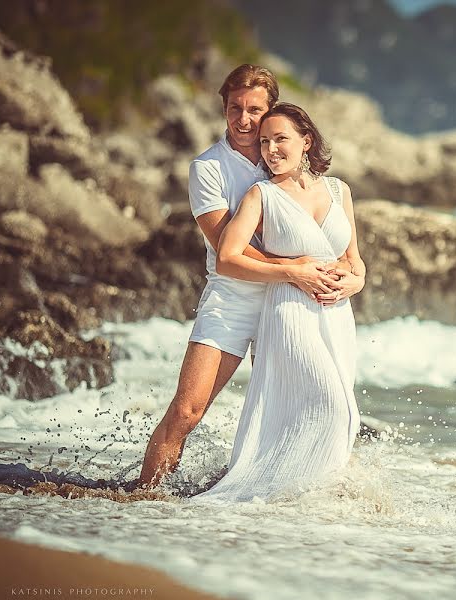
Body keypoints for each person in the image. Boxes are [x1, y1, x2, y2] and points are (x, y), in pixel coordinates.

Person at [137, 65, 348, 488]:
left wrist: (337, 275)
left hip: (287, 303)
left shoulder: (284, 161)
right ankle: (143, 499)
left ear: (271, 112)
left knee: (297, 410)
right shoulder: (209, 168)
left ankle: (273, 497)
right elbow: (224, 246)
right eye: (236, 108)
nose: (245, 120)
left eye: (255, 110)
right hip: (233, 298)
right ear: (224, 107)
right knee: (187, 411)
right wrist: (295, 269)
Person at [192, 102, 365, 502]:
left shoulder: (340, 191)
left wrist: (352, 285)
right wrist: (292, 271)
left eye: (280, 139)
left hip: (338, 315)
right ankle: (273, 489)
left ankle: (303, 499)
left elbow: (354, 260)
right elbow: (228, 258)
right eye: (265, 142)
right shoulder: (262, 194)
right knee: (335, 407)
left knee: (333, 411)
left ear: (307, 141)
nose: (270, 149)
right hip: (290, 313)